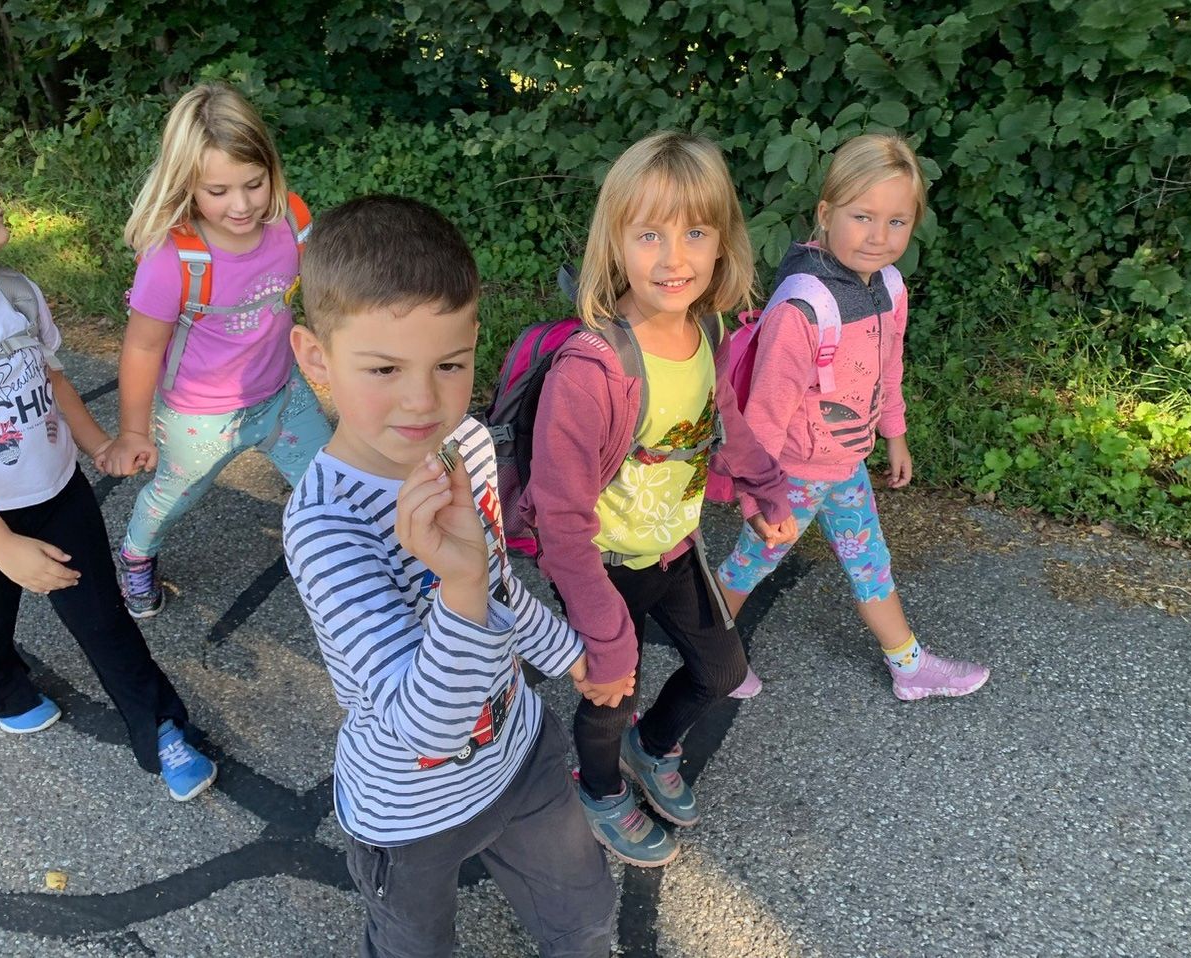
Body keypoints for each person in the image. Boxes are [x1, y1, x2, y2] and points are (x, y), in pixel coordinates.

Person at [283, 195, 615, 958]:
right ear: (315, 357)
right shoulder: (326, 526)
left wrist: (567, 652)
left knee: (587, 918)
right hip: (410, 811)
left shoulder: (465, 443)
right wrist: (458, 590)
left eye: (450, 364)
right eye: (384, 369)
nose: (423, 401)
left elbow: (498, 586)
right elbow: (424, 726)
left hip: (519, 752)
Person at [520, 132, 797, 867]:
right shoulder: (592, 370)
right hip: (602, 562)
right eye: (650, 235)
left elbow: (721, 419)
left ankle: (653, 745)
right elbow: (559, 519)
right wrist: (602, 631)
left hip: (674, 546)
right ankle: (600, 788)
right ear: (614, 242)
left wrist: (763, 485)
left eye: (695, 233)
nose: (675, 259)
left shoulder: (706, 328)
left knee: (722, 672)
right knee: (611, 688)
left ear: (722, 242)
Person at [0, 146, 215, 801]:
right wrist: (1, 546)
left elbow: (51, 377)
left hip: (57, 493)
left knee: (103, 619)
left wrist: (99, 443)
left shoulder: (16, 292)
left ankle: (160, 728)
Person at [715, 133, 990, 702]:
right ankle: (710, 661)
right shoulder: (802, 307)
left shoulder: (889, 286)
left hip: (845, 465)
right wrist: (758, 498)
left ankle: (908, 666)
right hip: (791, 475)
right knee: (747, 567)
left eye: (897, 221)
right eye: (862, 216)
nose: (878, 236)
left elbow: (889, 368)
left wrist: (895, 433)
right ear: (826, 213)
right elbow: (765, 415)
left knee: (870, 563)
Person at [102, 83, 331, 618]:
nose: (242, 205)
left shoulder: (293, 222)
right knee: (170, 498)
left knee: (331, 485)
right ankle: (136, 555)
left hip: (282, 395)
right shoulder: (171, 260)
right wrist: (133, 431)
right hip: (198, 418)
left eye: (254, 184)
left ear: (272, 169)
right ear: (187, 184)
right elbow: (142, 349)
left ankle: (347, 567)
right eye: (219, 190)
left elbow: (322, 297)